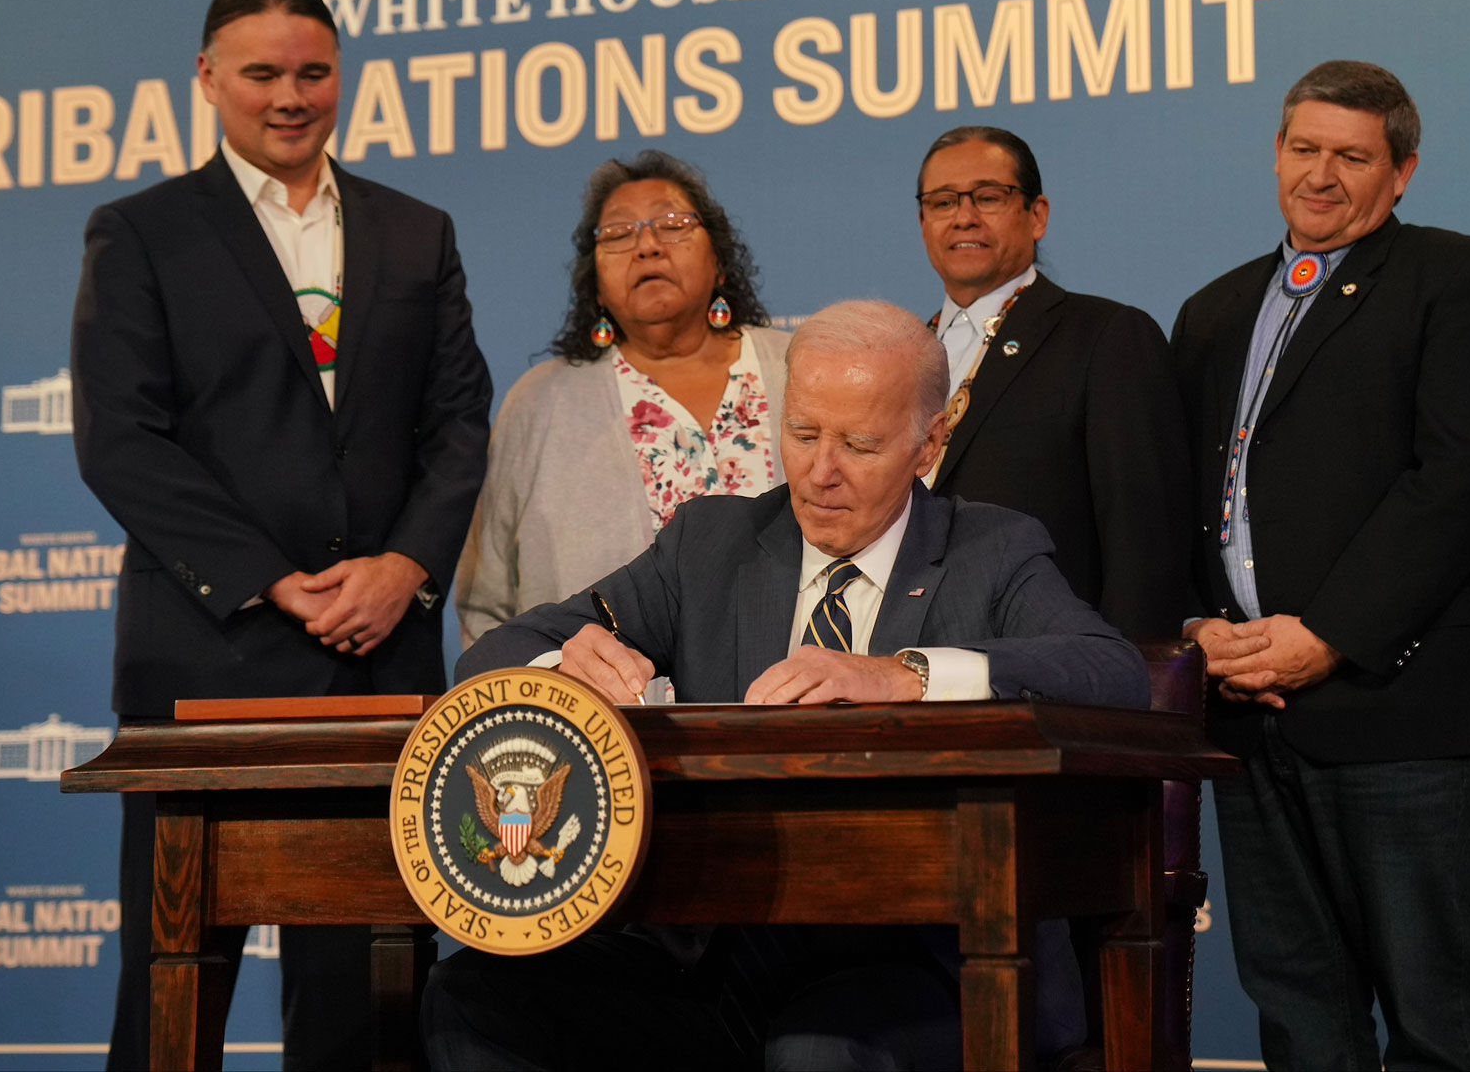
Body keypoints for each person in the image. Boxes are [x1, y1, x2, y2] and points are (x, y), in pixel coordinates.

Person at [423, 300, 1148, 1072]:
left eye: (859, 445)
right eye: (802, 434)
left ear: (929, 442)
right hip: (723, 957)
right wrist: (565, 670)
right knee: (469, 996)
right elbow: (498, 652)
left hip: (932, 962)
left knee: (817, 1049)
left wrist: (905, 672)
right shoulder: (712, 543)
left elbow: (1113, 670)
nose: (819, 471)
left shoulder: (992, 550)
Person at [69, 0, 493, 1070]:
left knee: (367, 1002)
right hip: (205, 661)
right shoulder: (142, 232)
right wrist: (270, 578)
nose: (291, 97)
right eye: (262, 74)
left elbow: (458, 424)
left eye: (313, 73)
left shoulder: (417, 231)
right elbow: (121, 439)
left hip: (378, 666)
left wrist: (404, 567)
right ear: (208, 78)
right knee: (171, 998)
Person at [1170, 61, 1470, 1070]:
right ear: (1275, 153)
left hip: (1395, 704)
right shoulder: (1211, 310)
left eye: (1351, 156)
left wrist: (1327, 636)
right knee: (1297, 1013)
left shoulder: (1457, 279)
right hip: (1246, 711)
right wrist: (1199, 631)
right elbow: (1180, 496)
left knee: (1430, 1014)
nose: (1319, 175)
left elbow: (1459, 482)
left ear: (1401, 172)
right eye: (1303, 148)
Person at [455, 150, 787, 645]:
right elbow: (488, 604)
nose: (648, 246)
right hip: (599, 694)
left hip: (802, 686)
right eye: (618, 234)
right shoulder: (540, 403)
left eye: (672, 225)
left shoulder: (798, 368)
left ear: (719, 262)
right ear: (596, 288)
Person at [914, 125, 1194, 639]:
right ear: (923, 221)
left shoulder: (1105, 336)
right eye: (943, 202)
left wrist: (1123, 670)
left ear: (1037, 215)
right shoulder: (903, 354)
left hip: (1046, 661)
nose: (964, 217)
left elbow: (1144, 546)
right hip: (908, 659)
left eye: (988, 197)